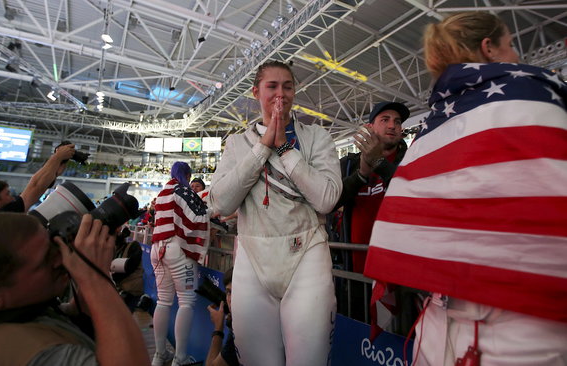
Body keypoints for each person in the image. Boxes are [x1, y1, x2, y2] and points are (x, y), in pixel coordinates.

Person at [364, 11, 567, 365]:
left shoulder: (435, 123)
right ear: (489, 48)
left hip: (436, 324)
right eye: (511, 45)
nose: (516, 55)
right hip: (523, 328)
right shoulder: (528, 93)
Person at [209, 60, 342, 366]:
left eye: (288, 86)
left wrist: (284, 146)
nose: (280, 93)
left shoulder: (317, 137)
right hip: (253, 255)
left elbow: (327, 200)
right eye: (272, 86)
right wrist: (262, 147)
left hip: (307, 250)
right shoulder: (237, 143)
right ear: (256, 92)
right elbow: (220, 203)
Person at [0, 212, 150, 366]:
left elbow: (67, 317)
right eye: (47, 259)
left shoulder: (21, 310)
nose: (61, 259)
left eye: (54, 246)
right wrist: (95, 277)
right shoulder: (33, 352)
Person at [333, 101, 410, 274]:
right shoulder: (348, 164)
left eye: (397, 121)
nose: (392, 125)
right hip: (356, 268)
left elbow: (411, 195)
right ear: (370, 127)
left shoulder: (412, 159)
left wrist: (379, 163)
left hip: (399, 268)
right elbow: (330, 202)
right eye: (385, 120)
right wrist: (360, 175)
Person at [151, 161, 210, 366]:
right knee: (186, 302)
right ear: (186, 174)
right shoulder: (181, 190)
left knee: (163, 301)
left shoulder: (162, 192)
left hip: (158, 249)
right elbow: (196, 216)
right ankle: (180, 357)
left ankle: (159, 355)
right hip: (177, 250)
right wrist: (211, 215)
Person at [0, 143, 75, 212]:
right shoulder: (4, 214)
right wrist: (58, 156)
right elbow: (35, 187)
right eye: (7, 194)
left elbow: (35, 188)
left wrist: (54, 173)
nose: (12, 198)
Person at [205, 268, 239, 366]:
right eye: (229, 292)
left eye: (236, 292)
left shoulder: (243, 328)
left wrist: (218, 330)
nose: (231, 299)